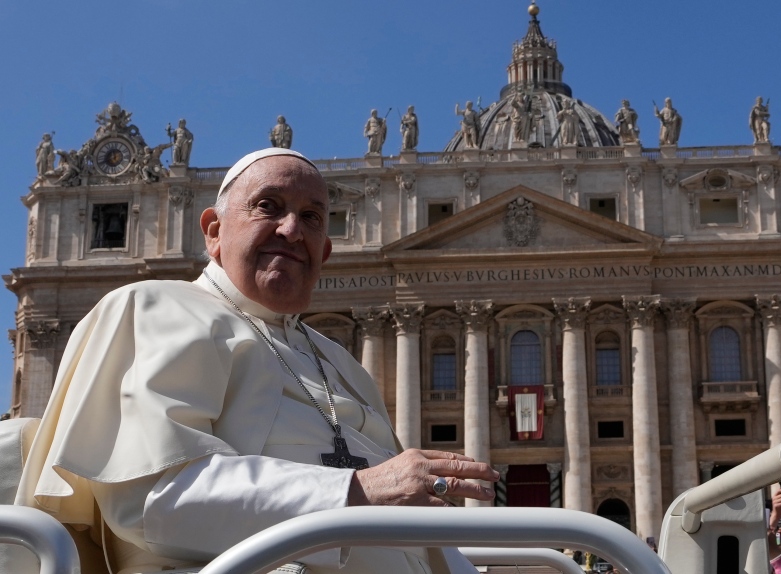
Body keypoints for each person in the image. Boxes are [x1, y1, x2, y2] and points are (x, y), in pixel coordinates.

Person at [15, 148, 499, 574]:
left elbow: (413, 528)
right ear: (213, 231)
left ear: (324, 251)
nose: (291, 230)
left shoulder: (341, 362)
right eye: (269, 206)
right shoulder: (152, 309)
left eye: (312, 218)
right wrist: (354, 489)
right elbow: (154, 498)